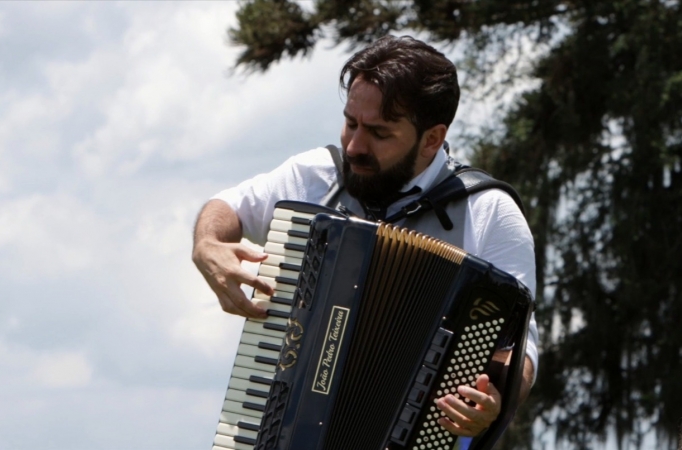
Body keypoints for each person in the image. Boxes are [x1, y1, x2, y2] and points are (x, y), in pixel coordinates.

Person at [193, 35, 538, 440]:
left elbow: (519, 350)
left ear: (432, 138)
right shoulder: (315, 176)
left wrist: (492, 400)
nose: (355, 145)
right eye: (350, 123)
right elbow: (228, 207)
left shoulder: (489, 212)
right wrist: (208, 245)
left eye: (379, 132)